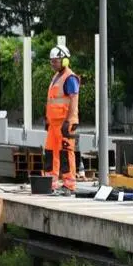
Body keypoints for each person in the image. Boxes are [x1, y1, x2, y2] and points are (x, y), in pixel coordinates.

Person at [43, 45, 79, 194]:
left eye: (56, 61)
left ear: (64, 61)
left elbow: (73, 100)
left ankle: (69, 184)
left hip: (65, 123)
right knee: (51, 152)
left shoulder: (70, 78)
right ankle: (50, 182)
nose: (53, 64)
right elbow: (52, 101)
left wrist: (68, 120)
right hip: (53, 123)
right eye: (52, 61)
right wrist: (47, 119)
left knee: (65, 152)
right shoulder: (56, 77)